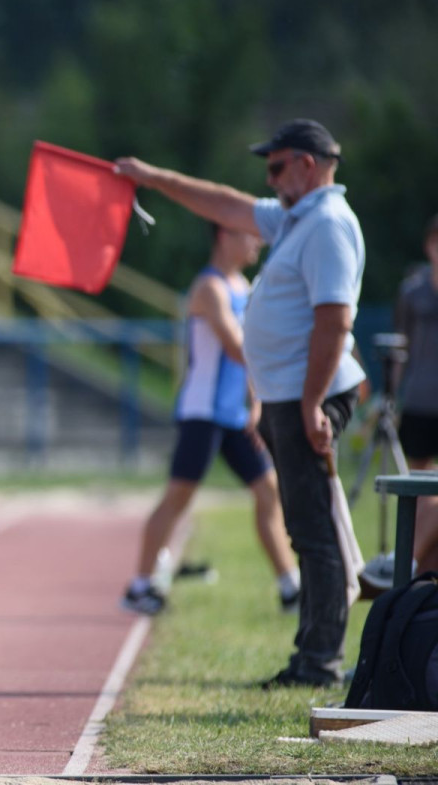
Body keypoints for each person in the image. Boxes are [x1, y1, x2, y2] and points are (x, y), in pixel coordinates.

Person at [115, 118, 366, 688]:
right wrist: (153, 178)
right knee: (301, 523)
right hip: (283, 396)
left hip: (306, 394)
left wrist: (309, 405)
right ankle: (312, 650)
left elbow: (334, 320)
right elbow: (225, 204)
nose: (270, 180)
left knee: (312, 529)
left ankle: (318, 661)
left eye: (277, 167)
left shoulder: (326, 223)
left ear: (307, 163)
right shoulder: (298, 218)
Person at [121, 224, 299, 616]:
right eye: (247, 234)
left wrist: (256, 405)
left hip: (235, 417)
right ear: (223, 237)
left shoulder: (245, 287)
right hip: (202, 414)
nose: (256, 241)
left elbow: (250, 356)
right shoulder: (209, 288)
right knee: (178, 497)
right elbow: (239, 348)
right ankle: (139, 585)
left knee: (268, 491)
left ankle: (290, 586)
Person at [364, 214, 438, 583]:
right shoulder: (413, 292)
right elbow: (401, 345)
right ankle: (410, 564)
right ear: (429, 246)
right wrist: (389, 398)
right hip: (421, 401)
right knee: (419, 487)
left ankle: (408, 562)